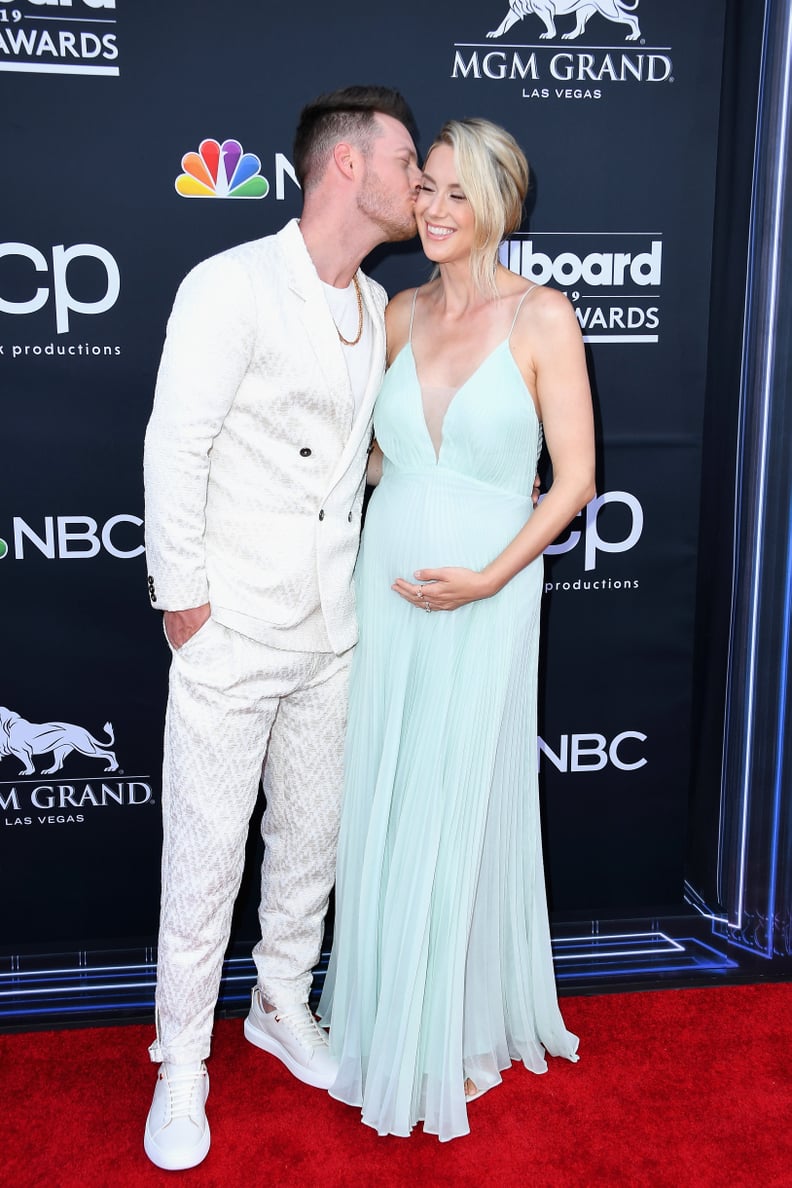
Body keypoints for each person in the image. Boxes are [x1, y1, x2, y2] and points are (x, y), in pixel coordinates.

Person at [141, 85, 421, 1171]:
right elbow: (178, 442)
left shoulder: (375, 302)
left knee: (309, 843)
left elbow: (359, 461)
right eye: (404, 158)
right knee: (205, 857)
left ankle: (280, 1007)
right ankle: (179, 1066)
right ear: (346, 165)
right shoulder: (231, 284)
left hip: (333, 627)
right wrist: (186, 602)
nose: (417, 180)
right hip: (234, 625)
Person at [317, 118, 596, 1142]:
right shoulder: (394, 312)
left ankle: (453, 1024)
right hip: (386, 591)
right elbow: (374, 462)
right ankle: (385, 1015)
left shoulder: (542, 317)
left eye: (455, 195)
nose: (431, 210)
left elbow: (573, 482)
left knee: (455, 798)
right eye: (424, 188)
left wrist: (484, 577)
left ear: (500, 207)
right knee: (387, 792)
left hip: (487, 595)